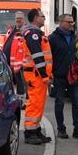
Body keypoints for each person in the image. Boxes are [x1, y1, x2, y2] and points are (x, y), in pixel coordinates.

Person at [21, 9, 53, 145]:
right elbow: (37, 56)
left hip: (37, 74)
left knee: (39, 103)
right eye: (42, 16)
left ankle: (36, 129)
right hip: (36, 74)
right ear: (35, 18)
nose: (44, 19)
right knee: (34, 103)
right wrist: (45, 75)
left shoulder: (36, 33)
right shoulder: (33, 34)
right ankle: (30, 132)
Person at [49, 14, 78, 139]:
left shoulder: (76, 37)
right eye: (69, 22)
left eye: (72, 22)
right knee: (60, 103)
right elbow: (49, 57)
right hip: (59, 75)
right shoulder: (52, 38)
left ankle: (77, 128)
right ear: (61, 22)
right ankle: (61, 129)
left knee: (77, 102)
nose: (72, 24)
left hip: (73, 75)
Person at [3, 11, 28, 102]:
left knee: (22, 84)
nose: (18, 20)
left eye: (20, 18)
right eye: (17, 18)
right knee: (15, 84)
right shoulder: (12, 30)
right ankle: (18, 100)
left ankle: (23, 101)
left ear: (24, 19)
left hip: (20, 63)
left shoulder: (25, 31)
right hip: (11, 62)